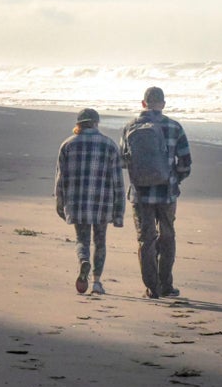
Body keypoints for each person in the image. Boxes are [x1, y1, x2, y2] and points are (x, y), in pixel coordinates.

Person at [120, 86, 192, 298]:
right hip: (167, 191)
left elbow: (124, 161)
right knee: (167, 236)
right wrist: (174, 179)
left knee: (146, 238)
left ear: (143, 103)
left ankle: (152, 288)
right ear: (163, 104)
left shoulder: (129, 127)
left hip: (140, 192)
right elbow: (186, 162)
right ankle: (166, 285)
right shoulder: (174, 127)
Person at [54, 107, 125, 295]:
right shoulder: (110, 145)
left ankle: (83, 261)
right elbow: (118, 182)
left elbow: (61, 178)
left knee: (82, 240)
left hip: (77, 203)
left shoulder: (67, 145)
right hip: (103, 203)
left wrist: (60, 203)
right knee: (100, 241)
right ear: (96, 123)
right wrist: (119, 212)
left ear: (78, 124)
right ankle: (97, 282)